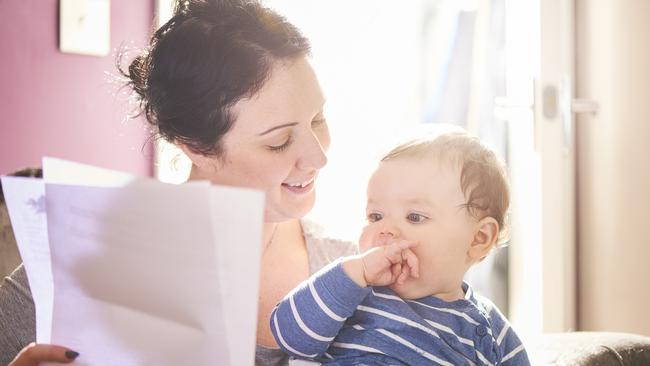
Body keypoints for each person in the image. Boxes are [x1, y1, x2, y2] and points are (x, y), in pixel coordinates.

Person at [0, 1, 356, 365]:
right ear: (197, 147)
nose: (319, 157)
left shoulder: (354, 266)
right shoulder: (77, 269)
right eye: (278, 141)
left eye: (318, 119)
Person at [270, 132, 531, 365]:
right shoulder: (353, 292)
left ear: (478, 239)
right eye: (375, 216)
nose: (386, 231)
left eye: (415, 217)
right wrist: (355, 272)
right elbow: (289, 337)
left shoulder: (489, 331)